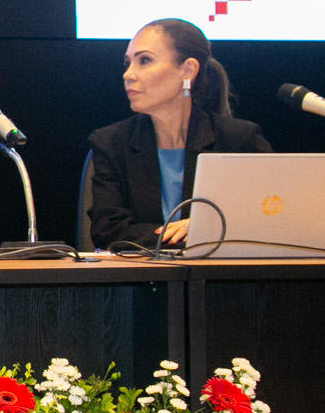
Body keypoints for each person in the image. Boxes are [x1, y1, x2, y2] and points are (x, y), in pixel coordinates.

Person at [86, 17, 271, 251]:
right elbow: (108, 230)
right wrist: (196, 234)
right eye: (127, 63)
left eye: (144, 61)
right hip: (143, 281)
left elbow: (269, 215)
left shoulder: (239, 139)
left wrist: (201, 227)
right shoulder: (111, 142)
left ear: (187, 70)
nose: (128, 74)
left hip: (219, 281)